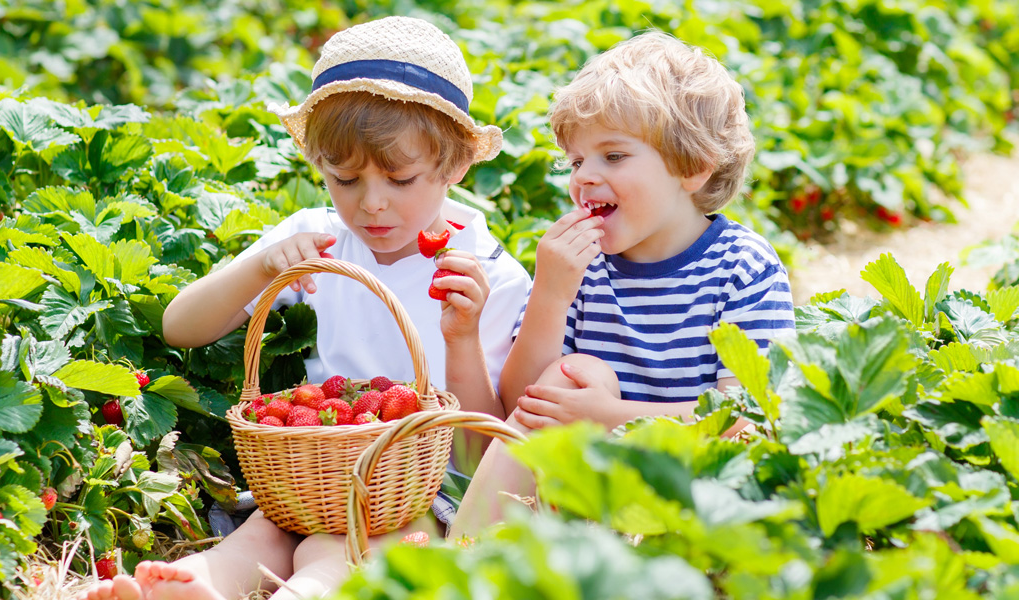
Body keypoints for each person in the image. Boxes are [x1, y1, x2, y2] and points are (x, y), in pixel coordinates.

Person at [79, 16, 531, 600]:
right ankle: (201, 584)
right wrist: (264, 264)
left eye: (400, 178)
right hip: (316, 466)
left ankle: (307, 591)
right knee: (266, 532)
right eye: (344, 180)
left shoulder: (486, 274)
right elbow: (181, 326)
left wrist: (463, 338)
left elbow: (478, 448)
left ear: (455, 166)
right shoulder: (317, 241)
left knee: (339, 547)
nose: (372, 204)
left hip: (422, 492)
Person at [450, 30, 796, 537]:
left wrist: (610, 416)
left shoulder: (743, 267)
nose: (584, 176)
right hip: (582, 496)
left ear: (693, 166)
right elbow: (521, 410)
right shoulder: (581, 267)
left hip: (694, 497)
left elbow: (750, 420)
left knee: (585, 382)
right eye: (576, 161)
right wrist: (550, 292)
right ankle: (469, 558)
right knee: (574, 371)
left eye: (613, 156)